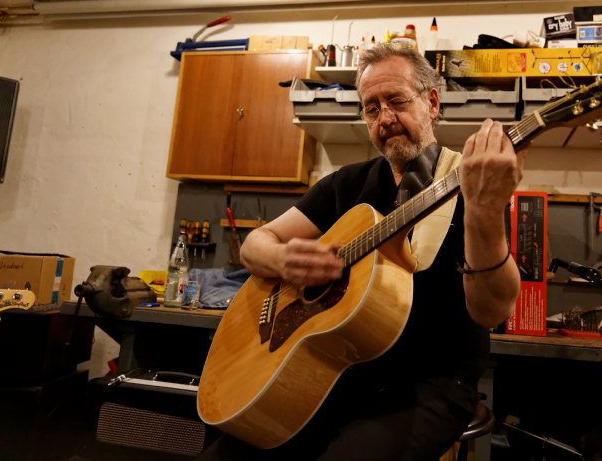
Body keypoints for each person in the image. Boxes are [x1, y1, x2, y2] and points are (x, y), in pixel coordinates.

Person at [196, 44, 525, 461]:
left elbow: (492, 311)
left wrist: (483, 209)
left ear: (432, 102)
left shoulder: (471, 184)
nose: (385, 118)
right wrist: (283, 260)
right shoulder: (345, 185)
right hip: (337, 375)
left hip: (431, 383)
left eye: (397, 101)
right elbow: (255, 243)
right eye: (371, 108)